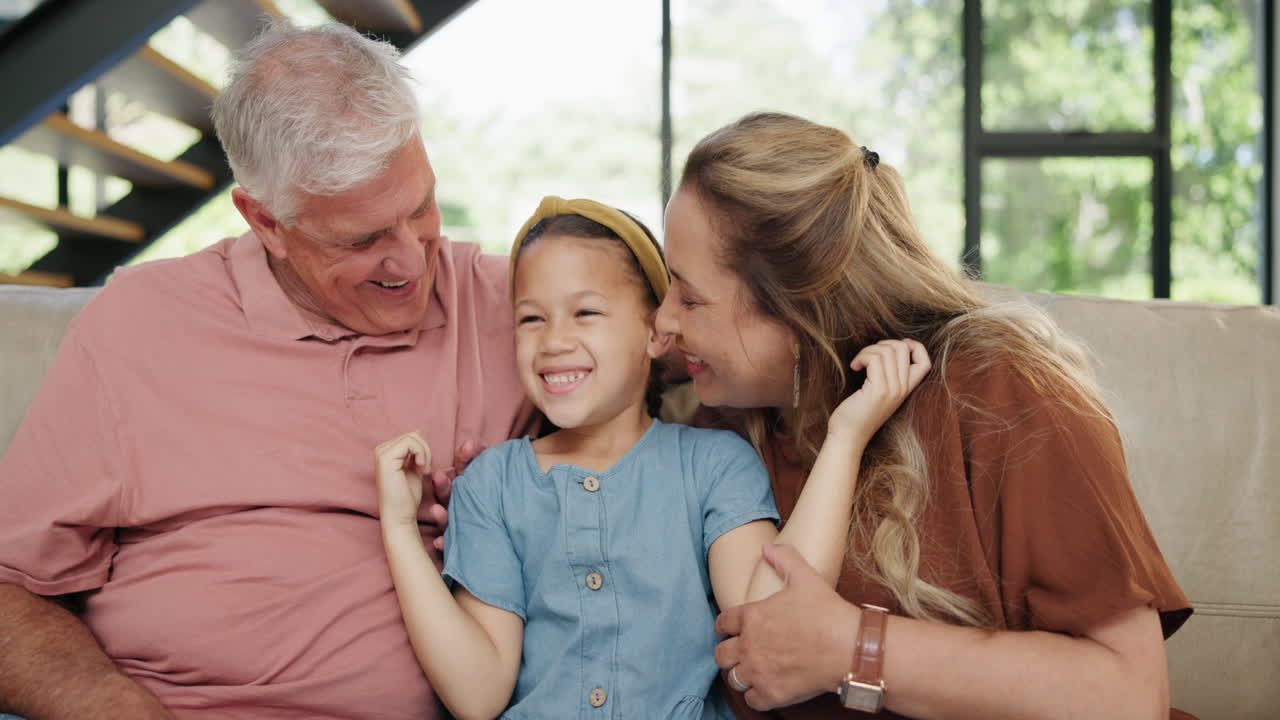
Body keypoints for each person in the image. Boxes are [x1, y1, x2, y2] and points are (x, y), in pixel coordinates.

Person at [0, 22, 535, 720]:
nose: (411, 261)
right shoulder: (137, 323)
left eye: (420, 207)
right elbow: (11, 586)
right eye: (363, 238)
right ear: (266, 223)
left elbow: (693, 326)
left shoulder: (520, 308)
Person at [654, 112, 1195, 719]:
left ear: (800, 311)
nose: (663, 323)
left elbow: (1130, 695)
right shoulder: (725, 419)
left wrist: (851, 648)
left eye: (690, 296)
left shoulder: (1004, 394)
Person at [371, 196, 931, 719]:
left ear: (655, 332)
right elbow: (477, 692)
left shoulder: (715, 465)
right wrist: (398, 527)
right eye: (531, 318)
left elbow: (770, 624)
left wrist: (846, 438)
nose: (553, 340)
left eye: (585, 312)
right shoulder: (491, 484)